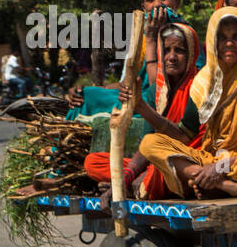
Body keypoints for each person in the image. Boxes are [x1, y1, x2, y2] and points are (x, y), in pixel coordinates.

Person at [138, 7, 237, 198]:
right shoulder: (205, 81)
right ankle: (225, 185)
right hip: (215, 159)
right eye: (222, 37)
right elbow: (184, 135)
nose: (229, 43)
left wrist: (220, 167)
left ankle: (210, 181)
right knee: (150, 143)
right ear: (212, 41)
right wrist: (141, 107)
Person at [82, 20, 202, 197]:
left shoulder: (199, 87)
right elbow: (148, 143)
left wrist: (142, 107)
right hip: (156, 158)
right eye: (167, 50)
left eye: (180, 51)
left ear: (192, 54)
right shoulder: (156, 90)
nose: (171, 57)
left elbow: (184, 139)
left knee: (162, 173)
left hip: (186, 161)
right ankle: (134, 183)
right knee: (93, 162)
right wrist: (129, 176)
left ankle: (137, 185)